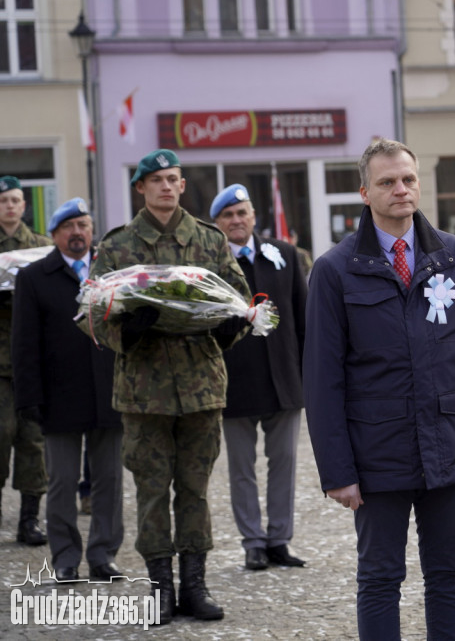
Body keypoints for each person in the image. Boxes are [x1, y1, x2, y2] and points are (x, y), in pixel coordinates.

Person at [304, 139, 455, 640]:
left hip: (451, 444)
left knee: (448, 575)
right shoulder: (335, 271)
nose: (401, 189)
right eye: (387, 182)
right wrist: (337, 471)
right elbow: (322, 380)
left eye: (408, 180)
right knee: (379, 579)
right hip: (377, 454)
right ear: (364, 192)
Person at [77, 149, 250, 622]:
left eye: (173, 179)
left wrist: (230, 326)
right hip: (143, 389)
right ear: (141, 188)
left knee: (194, 490)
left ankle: (195, 585)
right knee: (152, 491)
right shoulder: (118, 246)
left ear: (181, 185)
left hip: (200, 384)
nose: (166, 187)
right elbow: (90, 313)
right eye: (156, 181)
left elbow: (236, 298)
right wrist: (125, 331)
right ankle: (160, 590)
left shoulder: (210, 241)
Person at [12, 198, 122, 581]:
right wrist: (29, 397)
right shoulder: (34, 277)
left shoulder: (112, 273)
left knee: (108, 479)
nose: (77, 233)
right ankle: (65, 557)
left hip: (109, 394)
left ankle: (104, 554)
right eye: (68, 227)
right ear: (55, 234)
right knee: (61, 481)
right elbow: (24, 343)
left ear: (92, 231)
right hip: (59, 396)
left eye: (83, 225)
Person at [210, 185, 308, 572]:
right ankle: (252, 541)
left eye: (242, 213)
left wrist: (307, 372)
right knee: (242, 468)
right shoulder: (212, 264)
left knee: (284, 462)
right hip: (235, 381)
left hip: (283, 378)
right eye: (228, 216)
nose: (236, 221)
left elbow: (303, 317)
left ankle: (279, 539)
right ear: (218, 224)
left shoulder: (283, 255)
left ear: (254, 216)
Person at [0, 175, 51, 546]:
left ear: (24, 205)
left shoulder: (40, 248)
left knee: (34, 442)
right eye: (4, 201)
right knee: (1, 437)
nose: (11, 206)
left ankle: (30, 520)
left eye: (16, 200)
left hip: (32, 362)